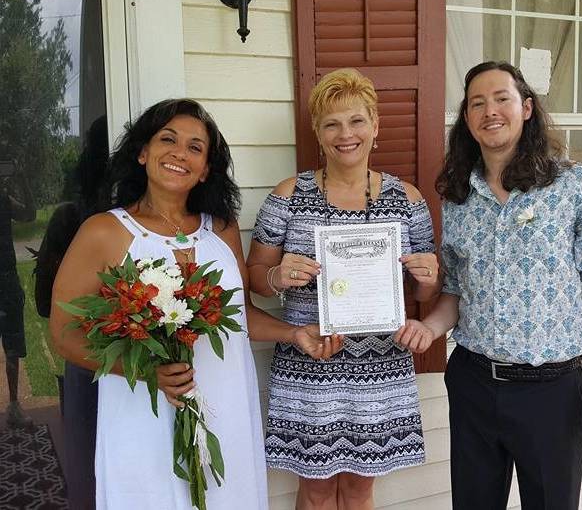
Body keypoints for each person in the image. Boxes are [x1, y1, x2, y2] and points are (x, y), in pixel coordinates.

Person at [49, 99, 340, 510]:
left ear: (205, 169)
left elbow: (238, 317)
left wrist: (294, 334)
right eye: (167, 139)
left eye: (195, 147)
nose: (179, 153)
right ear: (142, 152)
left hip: (224, 403)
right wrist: (149, 372)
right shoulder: (104, 231)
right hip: (143, 409)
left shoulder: (219, 227)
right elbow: (63, 332)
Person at [395, 61, 582, 510]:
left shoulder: (574, 186)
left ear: (526, 108)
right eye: (477, 103)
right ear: (467, 119)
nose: (490, 111)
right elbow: (457, 292)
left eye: (501, 98)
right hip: (474, 384)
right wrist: (430, 328)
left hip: (551, 390)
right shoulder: (458, 196)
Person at [246, 68, 440, 510]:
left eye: (356, 121)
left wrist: (428, 279)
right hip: (310, 359)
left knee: (359, 488)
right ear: (317, 131)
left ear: (375, 126)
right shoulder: (289, 195)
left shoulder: (406, 199)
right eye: (331, 123)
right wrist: (277, 276)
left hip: (380, 363)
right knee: (315, 489)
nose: (345, 134)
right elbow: (256, 275)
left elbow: (425, 293)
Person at [34, 115, 109, 509]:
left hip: (92, 361)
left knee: (89, 471)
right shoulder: (80, 221)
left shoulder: (70, 218)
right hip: (95, 358)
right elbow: (47, 302)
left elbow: (45, 301)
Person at [0, 170, 36, 428]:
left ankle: (13, 405)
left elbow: (29, 215)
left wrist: (23, 179)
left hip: (7, 278)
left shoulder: (3, 199)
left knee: (12, 344)